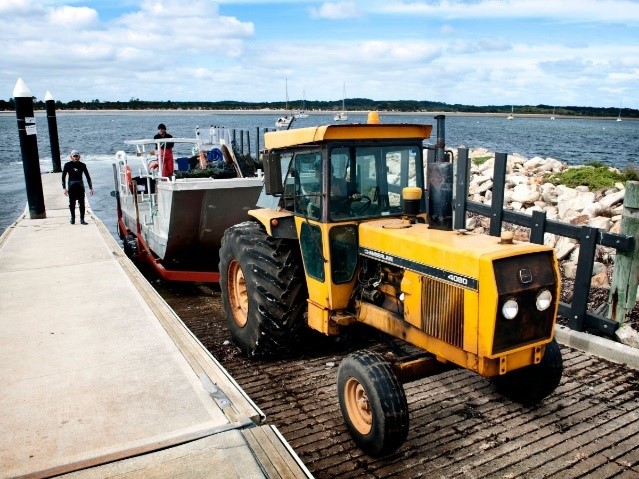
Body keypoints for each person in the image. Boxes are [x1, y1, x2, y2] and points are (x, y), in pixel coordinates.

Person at [62, 150, 93, 225]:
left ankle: (82, 220)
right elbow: (63, 177)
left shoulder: (82, 165)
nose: (76, 157)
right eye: (74, 156)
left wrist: (90, 187)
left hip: (80, 185)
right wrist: (64, 188)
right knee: (72, 203)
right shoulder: (67, 165)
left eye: (77, 156)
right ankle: (72, 218)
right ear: (71, 157)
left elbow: (88, 177)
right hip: (71, 186)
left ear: (79, 157)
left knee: (82, 203)